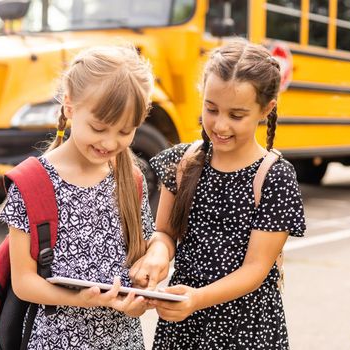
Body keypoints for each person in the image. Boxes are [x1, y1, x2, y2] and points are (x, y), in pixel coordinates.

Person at [130, 40, 306, 349]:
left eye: (236, 115)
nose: (220, 125)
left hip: (247, 328)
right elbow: (165, 233)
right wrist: (157, 254)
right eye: (211, 109)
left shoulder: (274, 177)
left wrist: (197, 299)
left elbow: (255, 269)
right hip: (183, 324)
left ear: (266, 109)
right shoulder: (182, 162)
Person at [0, 45, 155, 349]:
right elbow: (24, 283)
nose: (110, 142)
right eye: (98, 128)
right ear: (69, 107)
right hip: (54, 341)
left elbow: (141, 259)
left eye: (125, 131)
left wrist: (142, 292)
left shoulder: (132, 180)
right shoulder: (32, 182)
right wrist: (79, 300)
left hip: (124, 341)